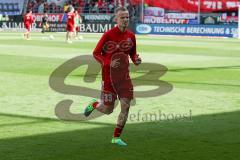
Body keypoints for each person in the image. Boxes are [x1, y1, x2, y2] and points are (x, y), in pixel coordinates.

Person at [83, 6, 142, 146]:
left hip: (124, 78)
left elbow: (133, 53)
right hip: (109, 77)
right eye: (122, 17)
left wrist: (136, 60)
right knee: (108, 110)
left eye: (127, 17)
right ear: (116, 19)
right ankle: (95, 104)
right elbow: (96, 53)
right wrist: (109, 62)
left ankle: (116, 137)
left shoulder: (131, 36)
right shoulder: (108, 35)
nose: (125, 20)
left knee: (126, 106)